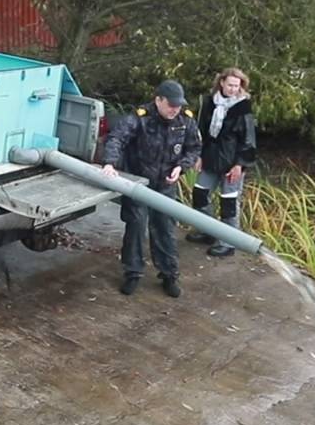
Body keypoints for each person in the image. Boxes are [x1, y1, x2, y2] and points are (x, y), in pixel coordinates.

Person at [101, 79, 202, 297]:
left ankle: (169, 275)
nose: (175, 109)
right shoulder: (140, 118)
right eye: (171, 105)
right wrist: (109, 162)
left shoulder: (185, 120)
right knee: (136, 226)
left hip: (165, 184)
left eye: (178, 105)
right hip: (138, 183)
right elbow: (116, 138)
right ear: (158, 100)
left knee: (164, 228)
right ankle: (132, 273)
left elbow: (194, 148)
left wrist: (181, 167)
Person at [188, 66, 258, 258]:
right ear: (221, 83)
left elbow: (249, 140)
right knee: (200, 194)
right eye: (230, 85)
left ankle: (228, 242)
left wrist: (240, 165)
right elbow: (201, 131)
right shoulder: (209, 103)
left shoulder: (243, 108)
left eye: (237, 86)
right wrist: (199, 155)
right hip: (210, 158)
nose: (233, 89)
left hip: (232, 163)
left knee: (229, 203)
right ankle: (207, 230)